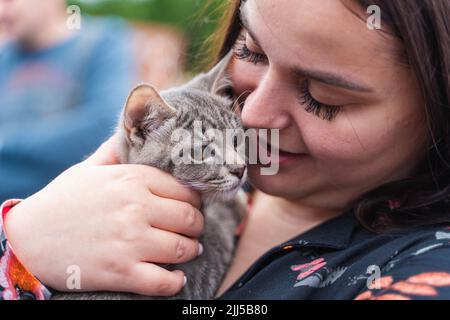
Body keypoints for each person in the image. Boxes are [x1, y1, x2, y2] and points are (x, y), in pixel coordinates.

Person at [1, 0, 450, 300]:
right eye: (251, 51)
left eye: (322, 96)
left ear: (437, 104)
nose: (252, 117)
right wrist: (17, 249)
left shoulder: (421, 271)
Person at [0, 0, 135, 202]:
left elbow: (108, 128)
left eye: (9, 1)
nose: (2, 11)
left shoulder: (101, 43)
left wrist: (5, 144)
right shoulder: (4, 58)